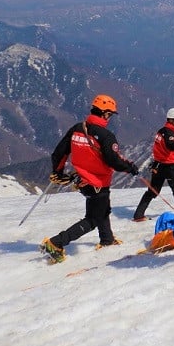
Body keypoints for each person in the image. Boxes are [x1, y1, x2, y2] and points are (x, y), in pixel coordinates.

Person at [40, 94, 140, 263]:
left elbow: (59, 153)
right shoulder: (106, 136)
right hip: (97, 181)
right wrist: (130, 167)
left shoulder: (78, 128)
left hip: (81, 180)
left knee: (101, 208)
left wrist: (58, 172)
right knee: (93, 219)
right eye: (110, 114)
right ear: (106, 113)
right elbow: (113, 160)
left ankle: (107, 239)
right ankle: (56, 243)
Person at [133, 107, 174, 221]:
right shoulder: (169, 133)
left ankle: (138, 214)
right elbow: (171, 146)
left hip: (158, 165)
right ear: (171, 120)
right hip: (169, 166)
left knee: (153, 190)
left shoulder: (162, 131)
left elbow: (163, 148)